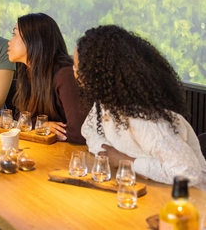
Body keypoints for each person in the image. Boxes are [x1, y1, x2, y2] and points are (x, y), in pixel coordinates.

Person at [75, 25, 206, 189]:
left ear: (96, 73)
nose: (74, 72)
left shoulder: (145, 120)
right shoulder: (107, 104)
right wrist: (108, 154)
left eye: (77, 67)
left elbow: (188, 174)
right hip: (142, 186)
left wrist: (126, 161)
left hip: (188, 200)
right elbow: (89, 131)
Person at [7, 13, 86, 143]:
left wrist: (41, 128)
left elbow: (80, 132)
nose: (9, 42)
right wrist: (42, 125)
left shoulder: (65, 75)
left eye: (14, 34)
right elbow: (19, 115)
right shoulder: (27, 71)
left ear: (34, 40)